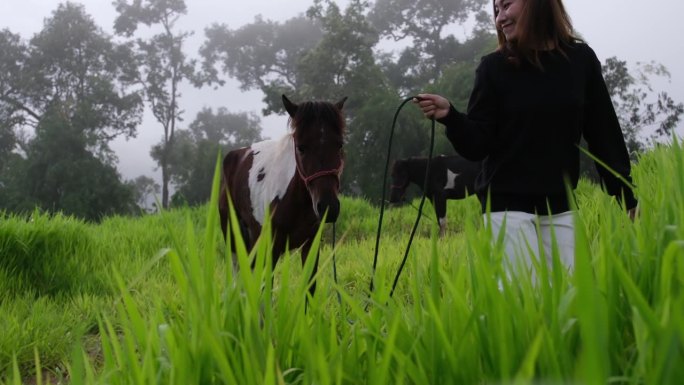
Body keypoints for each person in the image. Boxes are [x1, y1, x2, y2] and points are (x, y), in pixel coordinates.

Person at [414, 0, 637, 275]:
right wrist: (451, 116)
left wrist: (625, 194)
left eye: (506, 6)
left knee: (574, 298)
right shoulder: (493, 68)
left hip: (561, 206)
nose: (500, 18)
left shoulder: (580, 61)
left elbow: (604, 132)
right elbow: (477, 145)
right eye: (496, 10)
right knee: (522, 301)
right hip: (506, 210)